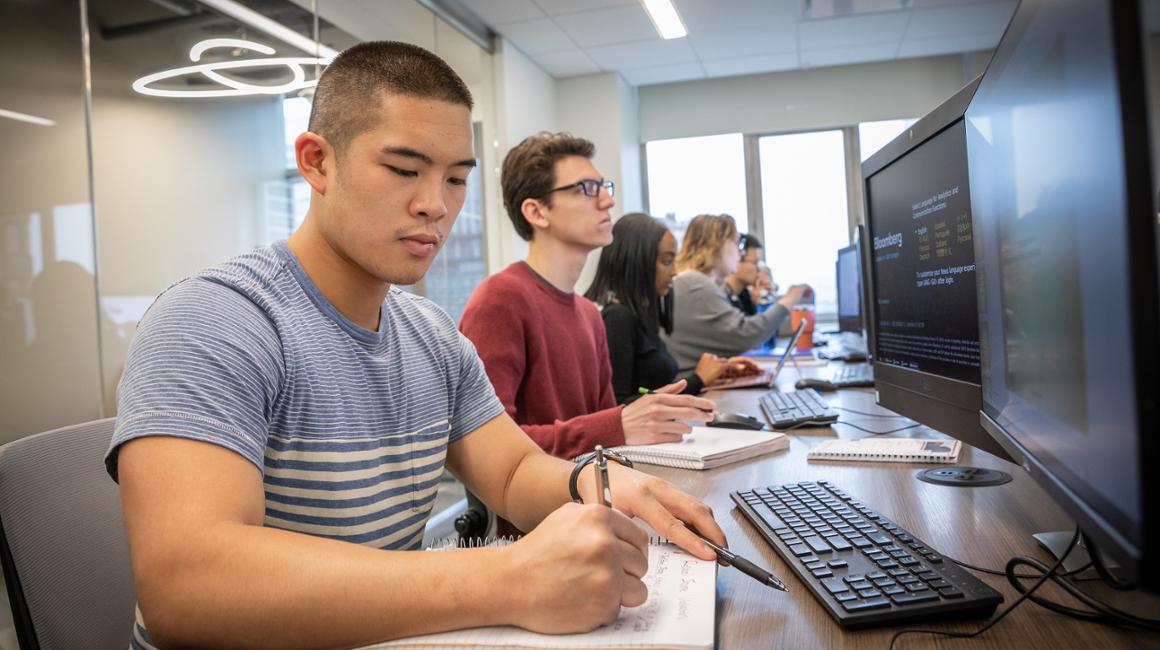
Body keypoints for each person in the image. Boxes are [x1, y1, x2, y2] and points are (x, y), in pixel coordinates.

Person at [107, 42, 725, 649]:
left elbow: (510, 471)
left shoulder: (430, 334)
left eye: (456, 179)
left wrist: (596, 481)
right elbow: (185, 587)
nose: (435, 205)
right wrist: (505, 578)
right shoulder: (216, 319)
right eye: (404, 170)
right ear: (318, 162)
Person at [459, 133, 716, 464]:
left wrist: (639, 421)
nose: (607, 201)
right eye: (586, 189)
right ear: (537, 212)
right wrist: (618, 424)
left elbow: (604, 434)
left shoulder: (588, 314)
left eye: (603, 187)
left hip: (597, 493)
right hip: (545, 513)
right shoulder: (500, 300)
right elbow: (489, 446)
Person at [584, 213, 759, 404]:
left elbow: (653, 390)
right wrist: (698, 380)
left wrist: (717, 370)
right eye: (667, 262)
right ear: (639, 262)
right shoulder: (619, 318)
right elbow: (618, 406)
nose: (674, 271)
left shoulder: (642, 315)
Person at [662, 213, 811, 369]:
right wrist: (790, 298)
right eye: (736, 243)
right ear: (717, 245)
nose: (741, 253)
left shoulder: (695, 282)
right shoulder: (695, 283)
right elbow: (748, 334)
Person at [723, 233, 763, 315]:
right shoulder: (721, 299)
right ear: (737, 261)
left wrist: (756, 304)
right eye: (754, 263)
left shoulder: (744, 295)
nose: (759, 269)